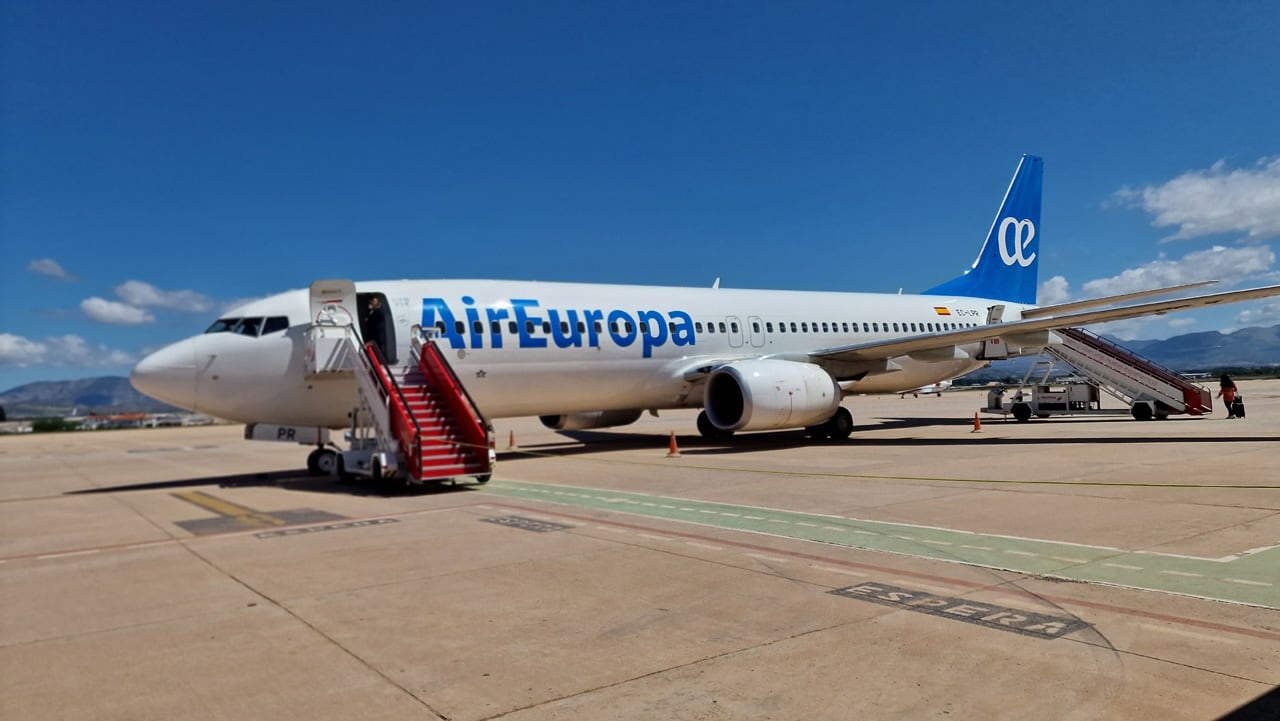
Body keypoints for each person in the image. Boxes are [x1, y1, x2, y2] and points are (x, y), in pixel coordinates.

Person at [363, 297, 390, 362]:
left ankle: (380, 361)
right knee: (376, 349)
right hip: (374, 334)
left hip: (377, 335)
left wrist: (368, 320)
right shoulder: (373, 311)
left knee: (378, 349)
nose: (370, 304)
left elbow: (375, 322)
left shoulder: (379, 311)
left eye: (372, 302)